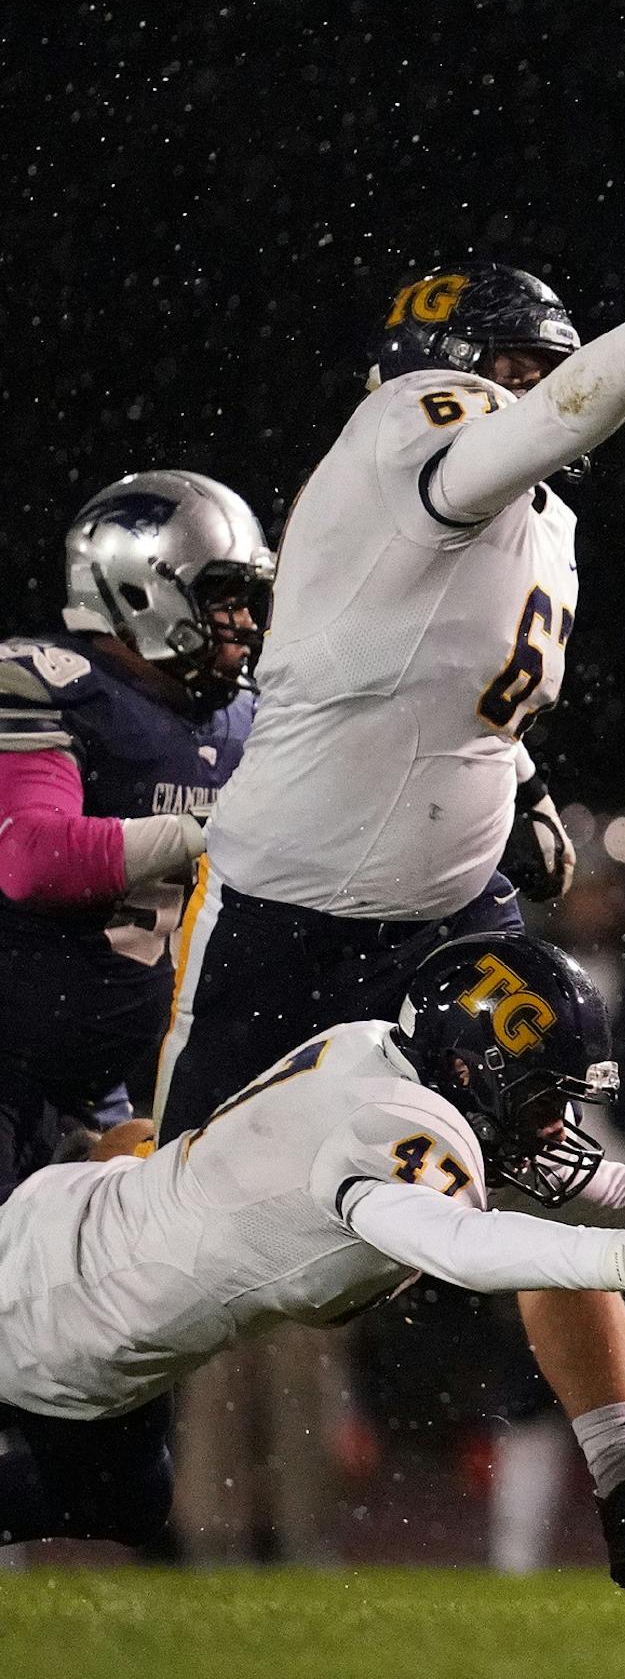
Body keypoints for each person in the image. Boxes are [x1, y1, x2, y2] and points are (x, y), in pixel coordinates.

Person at [149, 238, 625, 1586]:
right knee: (167, 1226)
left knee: (547, 1163)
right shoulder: (413, 423)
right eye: (517, 369)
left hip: (447, 910)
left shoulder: (550, 523)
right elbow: (522, 439)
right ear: (446, 372)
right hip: (295, 902)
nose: (540, 394)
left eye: (546, 372)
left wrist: (524, 782)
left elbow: (449, 680)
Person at [0, 933, 625, 1558]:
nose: (561, 1127)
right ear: (472, 1069)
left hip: (65, 1230)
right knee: (111, 1495)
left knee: (127, 1498)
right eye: (547, 1098)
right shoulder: (394, 1123)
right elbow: (459, 1246)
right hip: (52, 1317)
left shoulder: (382, 1055)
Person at [0, 471, 271, 1199]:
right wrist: (209, 828)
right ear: (139, 588)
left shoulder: (238, 722)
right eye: (223, 597)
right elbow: (28, 857)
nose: (243, 622)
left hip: (91, 1091)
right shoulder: (46, 683)